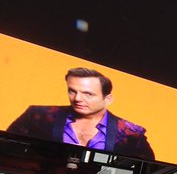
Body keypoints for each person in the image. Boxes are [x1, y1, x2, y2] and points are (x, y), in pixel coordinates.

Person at [7, 67, 155, 160]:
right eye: (72, 91)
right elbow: (7, 149)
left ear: (107, 99)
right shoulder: (38, 115)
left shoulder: (131, 133)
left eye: (88, 94)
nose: (77, 99)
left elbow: (145, 172)